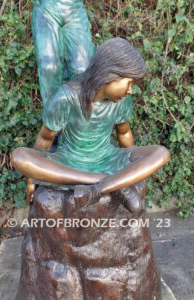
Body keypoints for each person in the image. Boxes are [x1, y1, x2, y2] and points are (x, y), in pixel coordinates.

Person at [11, 38, 170, 213]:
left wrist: (132, 169)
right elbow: (45, 138)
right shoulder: (66, 97)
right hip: (70, 161)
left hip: (107, 157)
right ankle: (106, 181)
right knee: (20, 157)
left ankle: (97, 189)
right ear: (110, 76)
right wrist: (33, 180)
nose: (130, 90)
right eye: (129, 83)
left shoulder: (121, 100)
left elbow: (124, 134)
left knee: (161, 153)